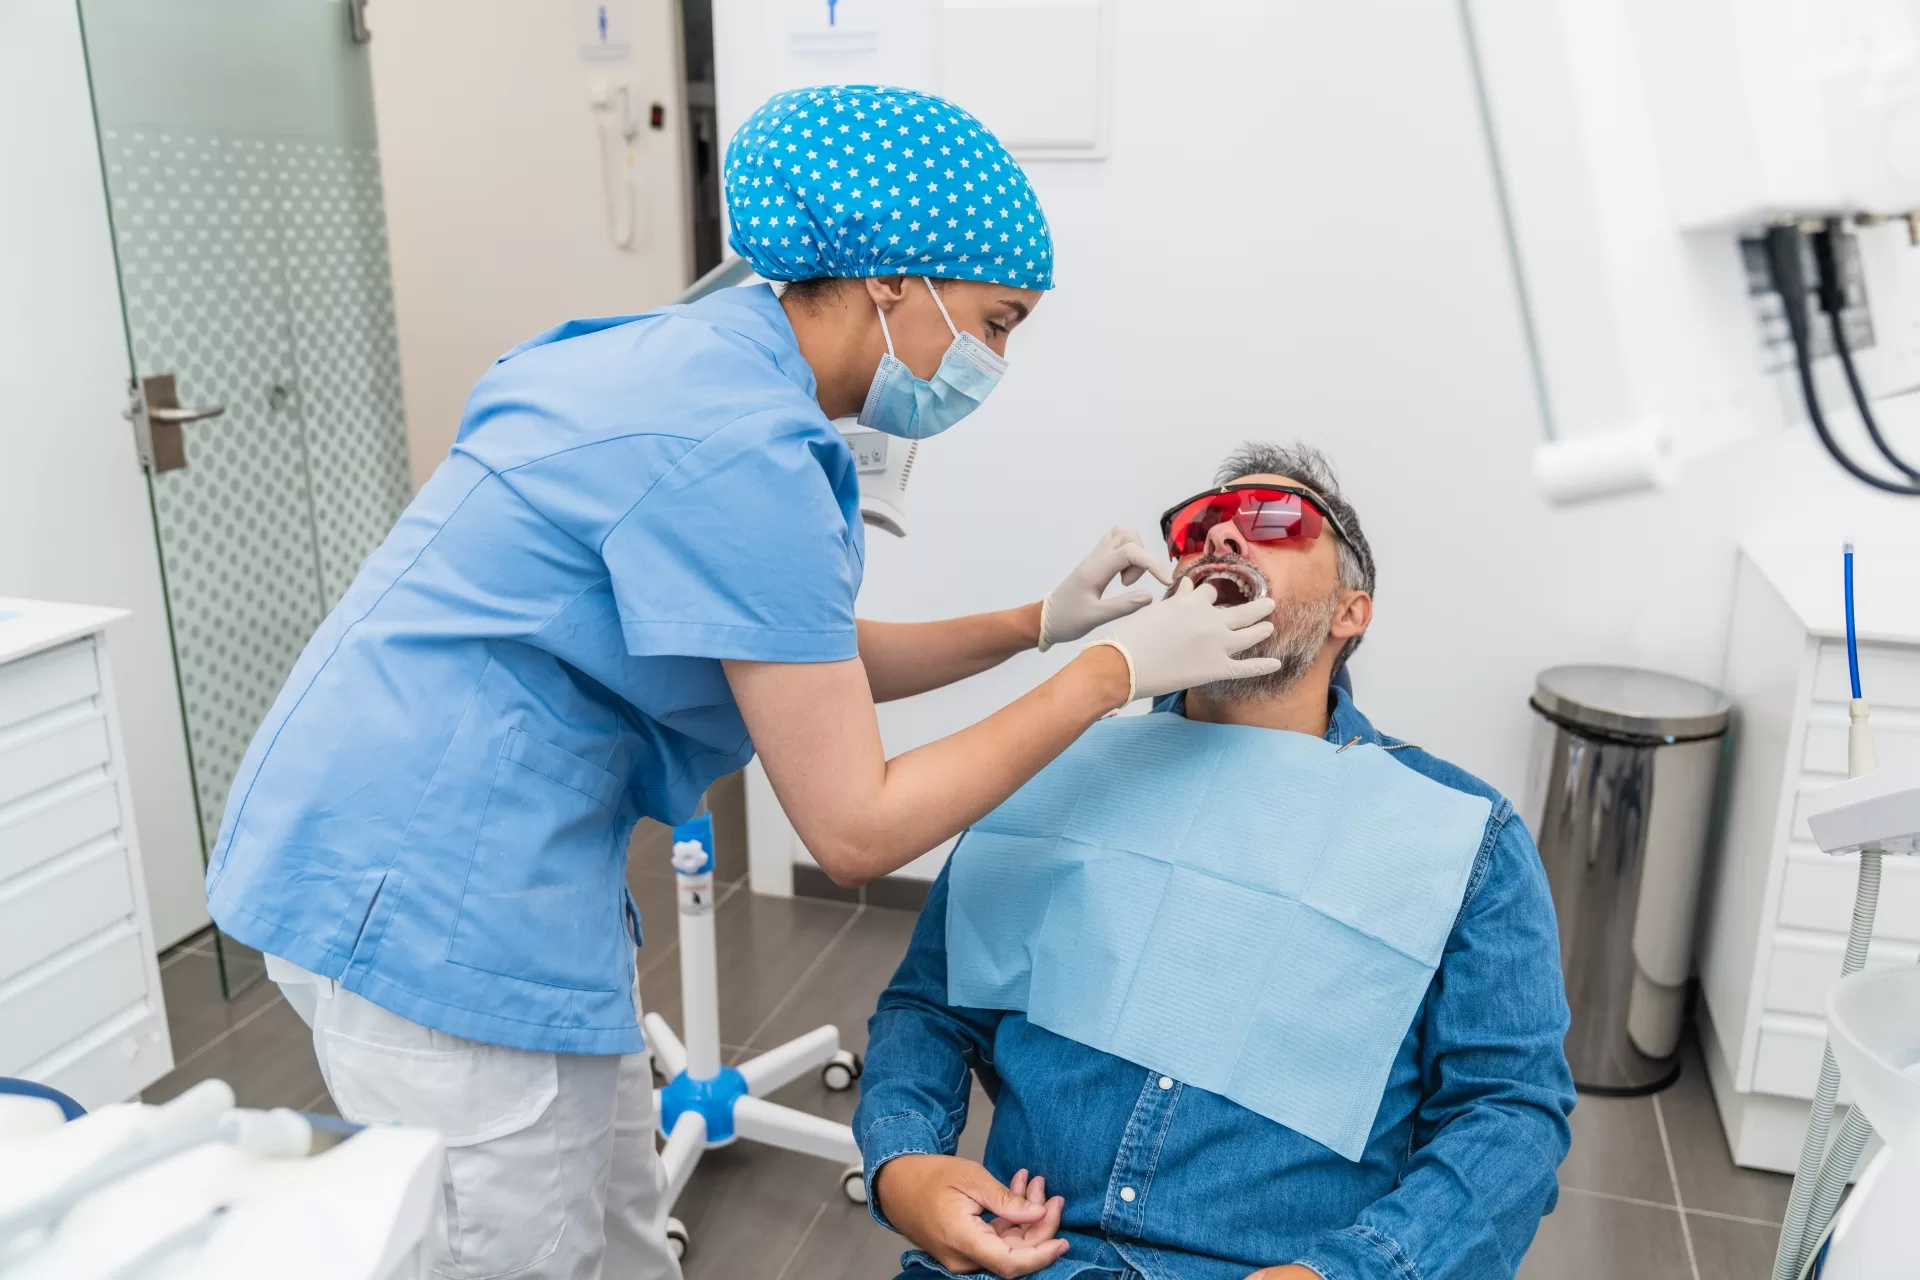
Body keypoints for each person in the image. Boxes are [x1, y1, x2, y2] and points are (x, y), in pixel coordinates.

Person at [200, 86, 1281, 1280]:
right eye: (996, 321)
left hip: (429, 837)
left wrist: (1035, 623)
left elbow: (793, 650)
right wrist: (1113, 671)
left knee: (612, 1230)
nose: (992, 361)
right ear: (891, 281)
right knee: (515, 1252)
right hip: (426, 892)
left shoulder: (693, 356)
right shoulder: (746, 446)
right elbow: (856, 827)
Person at [854, 443, 1577, 1280]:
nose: (1224, 537)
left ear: (1352, 612)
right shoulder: (1057, 768)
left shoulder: (1456, 836)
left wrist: (1353, 1272)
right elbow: (931, 1008)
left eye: (1276, 520)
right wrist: (904, 1163)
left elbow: (1509, 1113)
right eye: (1200, 525)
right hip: (1023, 1257)